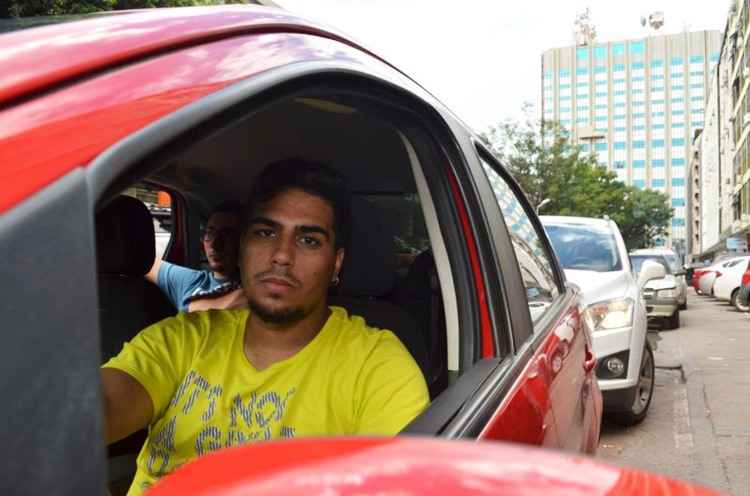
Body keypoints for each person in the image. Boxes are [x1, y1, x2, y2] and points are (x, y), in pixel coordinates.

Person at [101, 159, 429, 495]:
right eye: (265, 233)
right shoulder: (185, 336)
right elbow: (101, 406)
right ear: (243, 249)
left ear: (337, 264)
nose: (281, 255)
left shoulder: (376, 366)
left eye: (309, 240)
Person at [146, 204, 243, 311]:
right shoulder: (190, 280)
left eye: (228, 234)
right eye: (210, 233)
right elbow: (144, 262)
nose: (216, 245)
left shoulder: (255, 291)